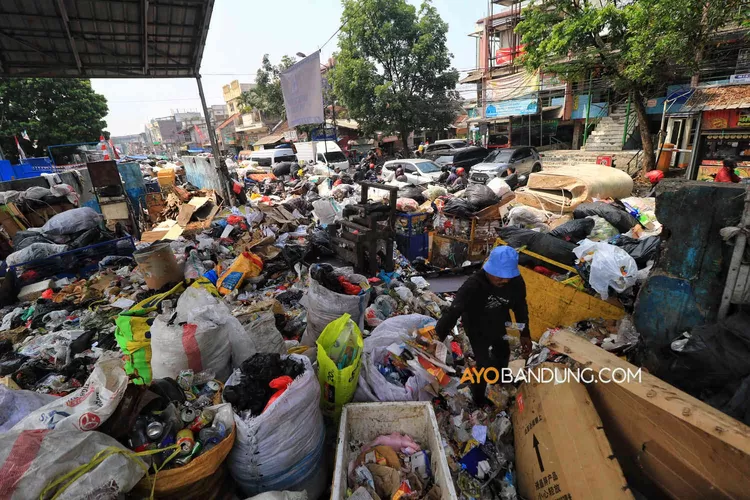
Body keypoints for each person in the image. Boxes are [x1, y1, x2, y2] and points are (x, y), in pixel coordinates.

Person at [435, 246, 532, 405]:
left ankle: (498, 383)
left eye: (508, 276)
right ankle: (478, 399)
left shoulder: (516, 283)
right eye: (500, 276)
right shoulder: (474, 284)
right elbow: (453, 311)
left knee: (503, 353)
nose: (505, 280)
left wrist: (525, 333)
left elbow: (520, 307)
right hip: (476, 324)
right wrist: (437, 338)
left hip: (499, 320)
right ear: (489, 269)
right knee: (484, 363)